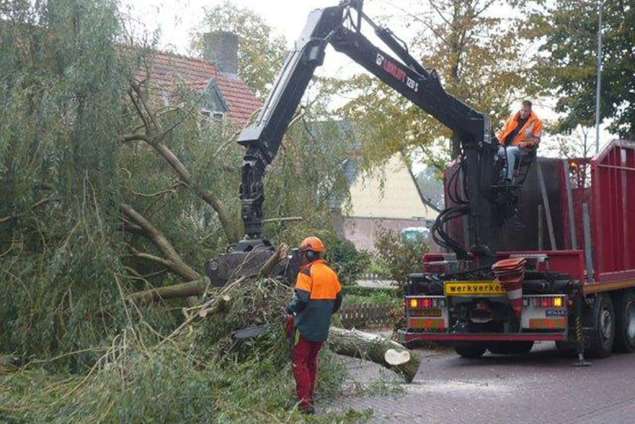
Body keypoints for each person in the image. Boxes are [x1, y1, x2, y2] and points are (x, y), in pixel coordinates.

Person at [286, 236, 342, 414]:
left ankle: (305, 403)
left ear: (309, 254)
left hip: (305, 326)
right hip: (322, 327)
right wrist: (325, 314)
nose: (301, 258)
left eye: (303, 254)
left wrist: (288, 308)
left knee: (299, 362)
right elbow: (338, 301)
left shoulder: (306, 272)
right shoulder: (331, 273)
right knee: (311, 361)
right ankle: (309, 396)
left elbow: (301, 299)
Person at [497, 100, 543, 183]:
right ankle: (495, 177)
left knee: (509, 151)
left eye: (526, 111)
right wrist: (498, 142)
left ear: (530, 111)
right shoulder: (512, 118)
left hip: (524, 150)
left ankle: (508, 178)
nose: (523, 113)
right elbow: (503, 132)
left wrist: (526, 143)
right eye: (521, 110)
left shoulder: (536, 122)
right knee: (493, 151)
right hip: (506, 146)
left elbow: (536, 140)